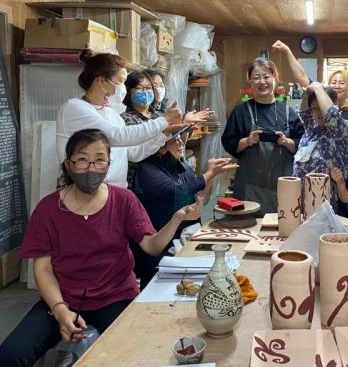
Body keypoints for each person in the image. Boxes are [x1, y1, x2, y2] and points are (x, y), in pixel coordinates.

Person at [0, 129, 203, 367]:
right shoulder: (48, 209)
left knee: (135, 355)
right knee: (10, 355)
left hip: (116, 296)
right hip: (63, 298)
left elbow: (151, 246)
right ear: (68, 164)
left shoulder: (123, 199)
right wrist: (60, 310)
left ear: (108, 163)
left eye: (99, 160)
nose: (91, 168)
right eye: (82, 159)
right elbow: (43, 269)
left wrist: (176, 219)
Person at [56, 50, 185, 188]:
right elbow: (118, 136)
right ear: (101, 81)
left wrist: (163, 134)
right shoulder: (74, 108)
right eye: (120, 82)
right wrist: (163, 120)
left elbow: (134, 153)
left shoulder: (112, 114)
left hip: (117, 190)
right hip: (86, 191)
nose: (123, 88)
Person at [131, 135, 238, 288]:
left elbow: (201, 198)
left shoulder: (183, 166)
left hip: (184, 239)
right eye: (175, 139)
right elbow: (177, 191)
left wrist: (211, 176)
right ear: (159, 145)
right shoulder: (147, 169)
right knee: (158, 290)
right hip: (160, 244)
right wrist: (209, 174)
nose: (181, 143)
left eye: (181, 138)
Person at [221, 57, 304, 213]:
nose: (262, 82)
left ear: (275, 78)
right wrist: (247, 141)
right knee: (250, 224)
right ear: (250, 81)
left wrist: (287, 142)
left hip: (284, 187)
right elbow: (228, 142)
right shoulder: (241, 112)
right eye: (256, 77)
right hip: (249, 188)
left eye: (266, 76)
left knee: (283, 224)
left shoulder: (288, 112)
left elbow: (303, 145)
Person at [272, 40, 348, 154]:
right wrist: (287, 50)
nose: (337, 86)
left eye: (342, 83)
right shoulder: (318, 103)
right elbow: (302, 77)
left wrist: (341, 138)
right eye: (333, 82)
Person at [293, 82, 348, 205]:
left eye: (321, 107)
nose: (319, 113)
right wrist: (306, 95)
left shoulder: (344, 129)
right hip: (299, 200)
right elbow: (304, 113)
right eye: (315, 108)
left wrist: (318, 88)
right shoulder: (312, 127)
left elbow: (332, 116)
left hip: (325, 202)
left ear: (335, 105)